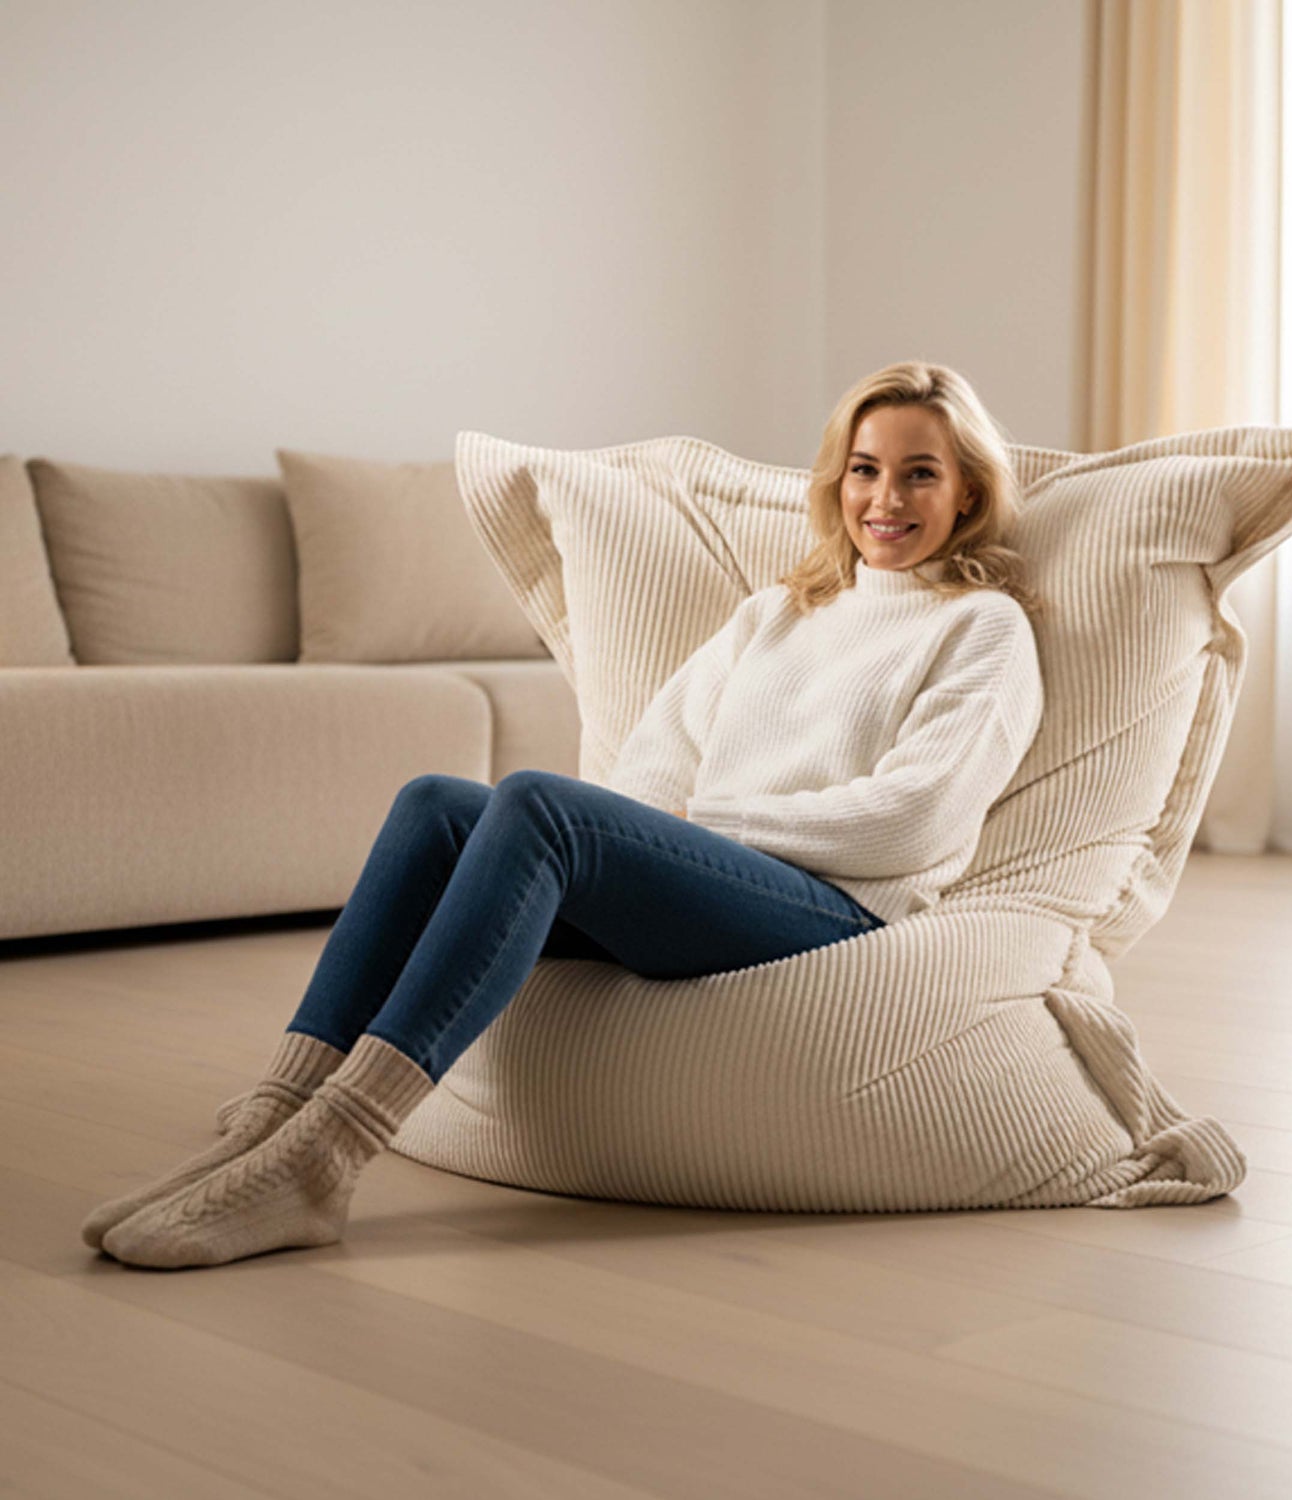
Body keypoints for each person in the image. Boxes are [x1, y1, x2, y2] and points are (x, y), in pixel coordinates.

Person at [81, 359, 1046, 1269]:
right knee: (439, 808)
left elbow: (913, 820)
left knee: (541, 803)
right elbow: (653, 766)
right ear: (836, 481)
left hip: (839, 910)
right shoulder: (777, 614)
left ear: (965, 491)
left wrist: (703, 823)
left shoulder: (982, 627)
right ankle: (278, 1114)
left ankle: (328, 1154)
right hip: (724, 877)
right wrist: (648, 839)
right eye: (865, 470)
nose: (886, 499)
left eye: (920, 474)